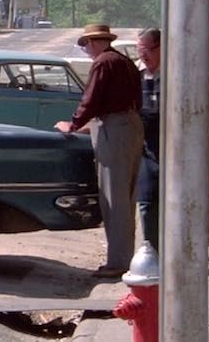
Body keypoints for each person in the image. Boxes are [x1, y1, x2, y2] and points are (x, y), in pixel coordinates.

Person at [54, 23, 143, 278]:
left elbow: (91, 100)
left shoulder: (103, 63)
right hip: (131, 125)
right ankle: (125, 257)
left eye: (85, 45)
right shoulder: (125, 62)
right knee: (127, 197)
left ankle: (118, 262)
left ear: (93, 42)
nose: (86, 50)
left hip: (113, 128)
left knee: (113, 197)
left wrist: (73, 124)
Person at [136, 28, 161, 251]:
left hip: (173, 147)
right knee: (146, 201)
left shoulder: (174, 73)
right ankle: (151, 249)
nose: (143, 55)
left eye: (147, 50)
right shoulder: (137, 74)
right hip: (147, 148)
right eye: (140, 50)